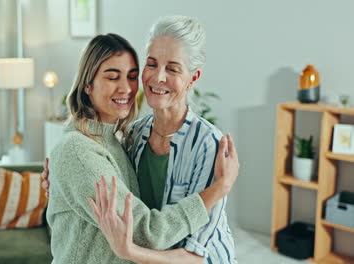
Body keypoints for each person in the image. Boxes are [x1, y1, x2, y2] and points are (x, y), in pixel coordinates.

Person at [46, 33, 239, 264]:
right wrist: (220, 188)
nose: (126, 88)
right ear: (88, 84)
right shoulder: (81, 149)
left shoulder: (121, 140)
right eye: (112, 77)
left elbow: (198, 252)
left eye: (131, 76)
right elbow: (146, 233)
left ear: (192, 78)